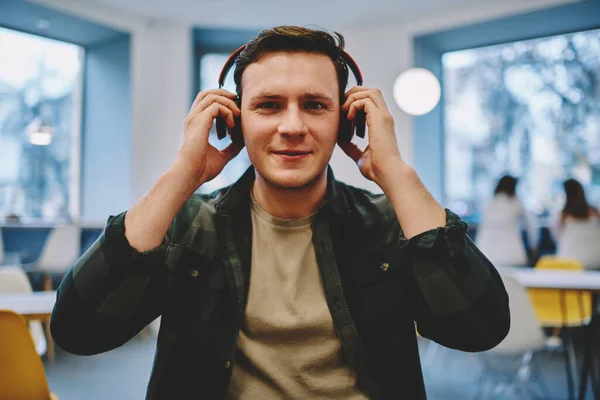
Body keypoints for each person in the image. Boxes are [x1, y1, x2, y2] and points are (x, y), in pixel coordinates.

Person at [50, 26, 509, 399]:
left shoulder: (390, 223)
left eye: (314, 105)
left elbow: (481, 327)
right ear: (234, 120)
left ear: (347, 120)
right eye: (268, 106)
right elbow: (79, 330)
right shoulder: (188, 224)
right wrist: (180, 178)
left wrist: (396, 176)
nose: (292, 127)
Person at [475, 175, 537, 266]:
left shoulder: (489, 202)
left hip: (486, 251)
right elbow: (531, 225)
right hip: (510, 254)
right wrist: (533, 245)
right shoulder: (516, 202)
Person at [552, 178, 600, 269]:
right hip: (595, 261)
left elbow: (557, 237)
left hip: (569, 262)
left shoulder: (562, 215)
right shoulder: (595, 212)